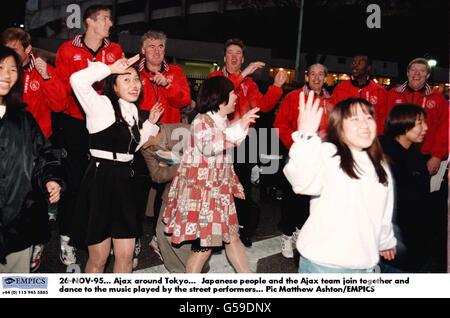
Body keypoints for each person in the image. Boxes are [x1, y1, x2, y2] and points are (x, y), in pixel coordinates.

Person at [68, 54, 163, 273]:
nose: (134, 85)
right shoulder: (101, 106)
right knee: (99, 258)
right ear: (115, 86)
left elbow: (130, 149)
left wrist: (149, 124)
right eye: (126, 80)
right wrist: (109, 68)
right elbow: (77, 81)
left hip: (125, 182)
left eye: (136, 79)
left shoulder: (134, 113)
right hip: (101, 181)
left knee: (126, 256)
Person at [284, 92, 396, 273]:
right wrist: (305, 136)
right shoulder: (328, 153)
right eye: (354, 119)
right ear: (339, 127)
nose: (365, 124)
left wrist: (385, 241)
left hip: (366, 265)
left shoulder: (379, 162)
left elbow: (383, 211)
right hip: (324, 265)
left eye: (368, 117)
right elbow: (302, 182)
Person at [162, 76, 259, 273]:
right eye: (232, 93)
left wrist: (241, 125)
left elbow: (225, 149)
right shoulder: (201, 120)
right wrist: (240, 126)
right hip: (204, 196)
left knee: (232, 238)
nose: (236, 97)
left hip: (218, 193)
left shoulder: (221, 120)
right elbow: (208, 147)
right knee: (204, 248)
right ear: (220, 97)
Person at [55, 4, 123, 266]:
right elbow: (64, 90)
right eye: (105, 19)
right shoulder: (67, 49)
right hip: (75, 122)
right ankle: (66, 238)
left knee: (104, 181)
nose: (110, 23)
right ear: (89, 22)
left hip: (105, 124)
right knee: (74, 181)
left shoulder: (114, 50)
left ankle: (106, 237)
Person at [208, 38, 287, 246]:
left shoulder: (249, 84)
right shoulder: (215, 77)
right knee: (216, 186)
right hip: (219, 140)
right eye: (230, 53)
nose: (234, 57)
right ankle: (216, 229)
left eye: (238, 54)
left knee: (241, 187)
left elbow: (263, 106)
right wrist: (242, 75)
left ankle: (243, 228)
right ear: (224, 57)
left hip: (243, 143)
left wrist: (276, 87)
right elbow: (218, 96)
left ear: (242, 58)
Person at [1, 27, 68, 272]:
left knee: (34, 204)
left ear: (27, 50)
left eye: (14, 54)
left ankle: (36, 243)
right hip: (13, 147)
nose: (8, 72)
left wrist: (47, 77)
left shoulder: (41, 71)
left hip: (35, 146)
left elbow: (60, 104)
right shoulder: (9, 82)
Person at [274, 63, 333, 258]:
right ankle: (287, 234)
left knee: (314, 197)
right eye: (313, 74)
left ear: (325, 78)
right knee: (293, 196)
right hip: (298, 152)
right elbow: (280, 124)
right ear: (307, 77)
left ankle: (302, 230)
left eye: (321, 75)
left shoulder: (331, 99)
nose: (316, 78)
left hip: (323, 156)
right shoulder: (294, 97)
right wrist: (297, 146)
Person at [379, 104, 430, 272]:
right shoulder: (384, 156)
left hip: (414, 242)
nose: (426, 128)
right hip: (393, 249)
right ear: (403, 124)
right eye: (420, 123)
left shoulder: (414, 154)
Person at [141, 123, 193, 272]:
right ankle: (178, 271)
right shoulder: (145, 148)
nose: (136, 140)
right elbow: (157, 175)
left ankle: (194, 269)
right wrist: (180, 165)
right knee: (163, 232)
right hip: (173, 189)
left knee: (189, 235)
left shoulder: (179, 132)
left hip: (199, 187)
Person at [331, 55, 388, 134]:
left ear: (368, 68)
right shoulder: (340, 89)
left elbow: (384, 118)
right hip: (346, 139)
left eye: (360, 63)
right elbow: (334, 116)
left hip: (371, 139)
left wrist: (379, 138)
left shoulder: (379, 90)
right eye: (354, 62)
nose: (355, 66)